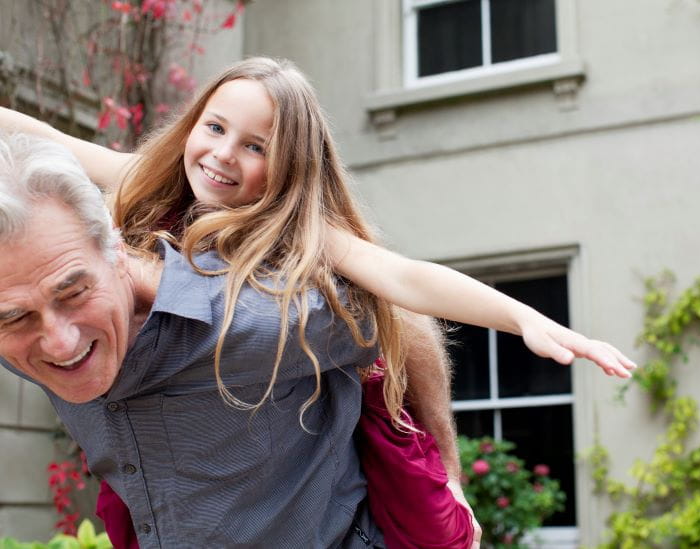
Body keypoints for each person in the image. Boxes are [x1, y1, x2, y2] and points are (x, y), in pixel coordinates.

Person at [1, 57, 635, 546]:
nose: (223, 154)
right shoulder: (148, 178)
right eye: (215, 127)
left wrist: (520, 316)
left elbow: (406, 282)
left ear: (289, 166)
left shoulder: (301, 232)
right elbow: (46, 137)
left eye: (256, 145)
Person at [0, 132, 451, 547]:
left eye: (74, 293)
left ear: (115, 252)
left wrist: (448, 472)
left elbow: (400, 313)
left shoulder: (256, 317)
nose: (59, 343)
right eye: (15, 317)